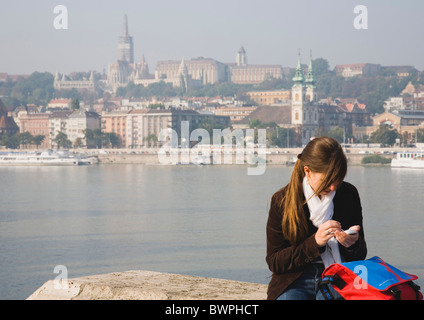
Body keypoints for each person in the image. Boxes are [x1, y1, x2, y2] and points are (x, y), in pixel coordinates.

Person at [266, 136, 367, 300]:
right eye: (327, 180)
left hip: (338, 276)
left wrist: (352, 244)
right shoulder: (282, 200)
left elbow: (360, 254)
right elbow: (275, 262)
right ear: (307, 171)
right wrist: (315, 243)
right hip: (294, 279)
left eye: (338, 179)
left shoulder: (348, 194)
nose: (333, 187)